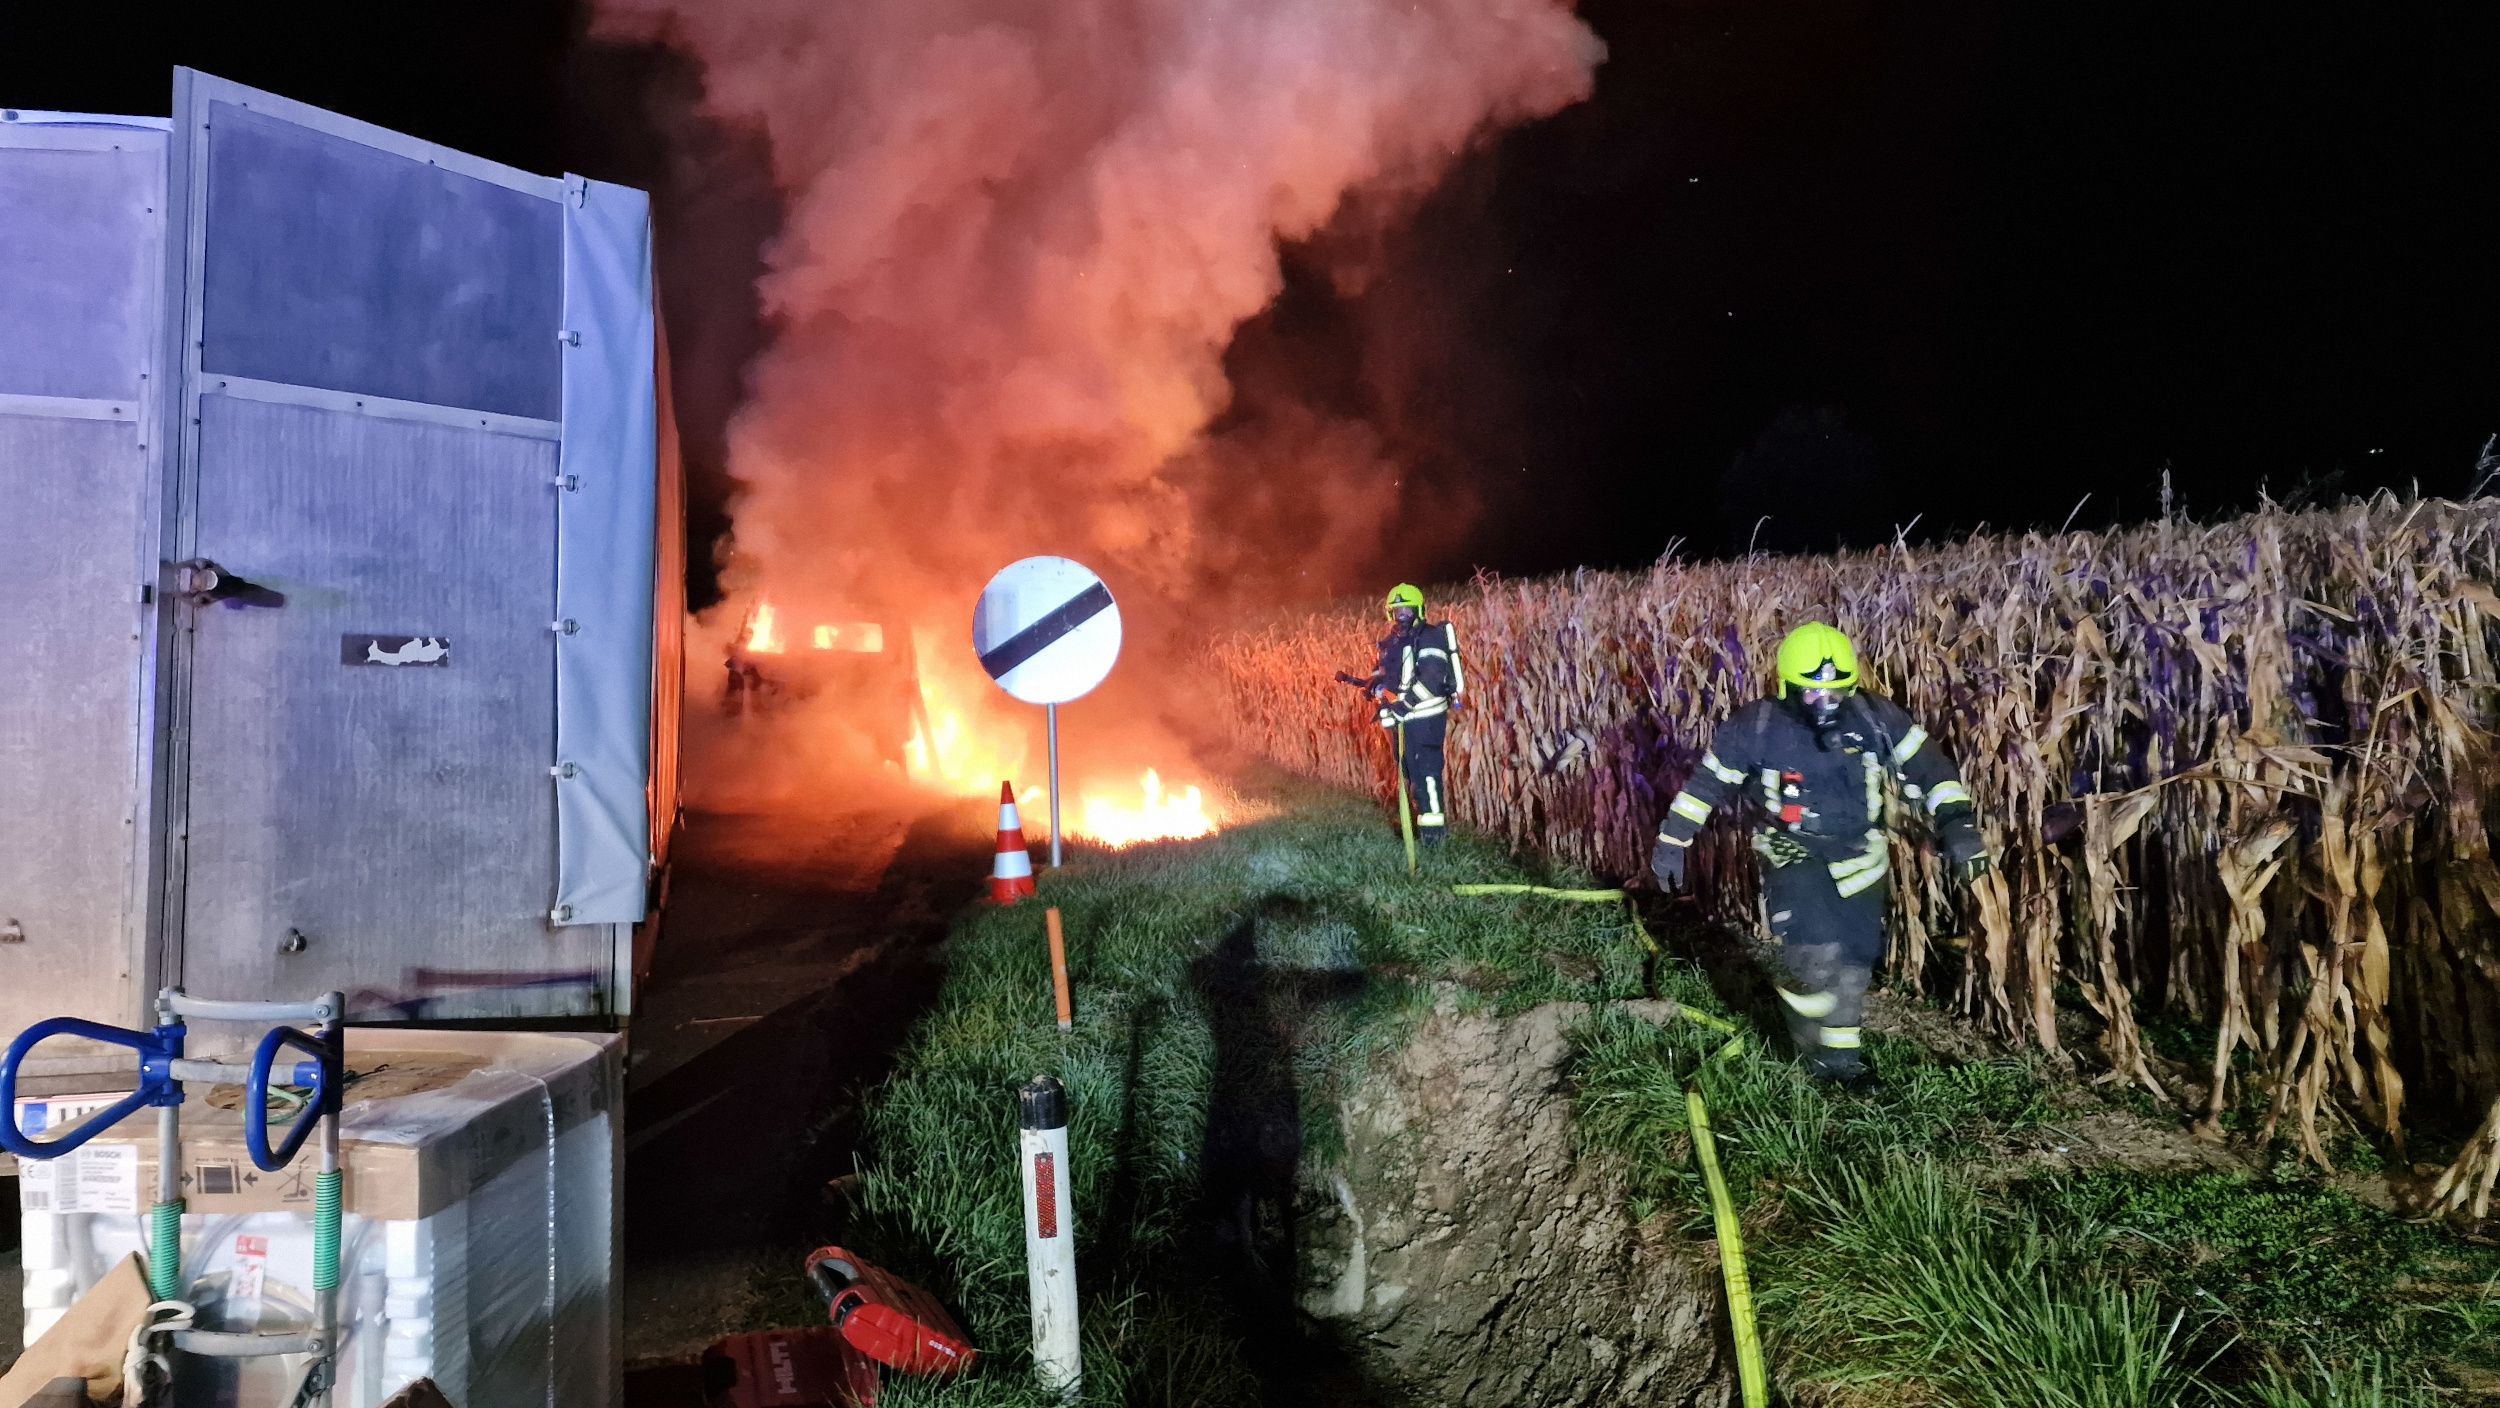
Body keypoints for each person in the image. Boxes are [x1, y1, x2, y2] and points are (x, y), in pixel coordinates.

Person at [1650, 621, 1989, 1086]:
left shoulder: (1876, 716)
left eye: (1837, 692)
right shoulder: (1757, 725)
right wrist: (1673, 841)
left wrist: (1958, 824)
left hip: (1861, 856)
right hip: (1791, 852)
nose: (1826, 703)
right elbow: (1706, 786)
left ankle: (1842, 1061)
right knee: (1813, 955)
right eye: (1812, 693)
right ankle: (1814, 1056)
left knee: (1854, 958)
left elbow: (1929, 768)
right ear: (1786, 686)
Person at [1365, 584, 1466, 847]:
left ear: (1419, 610)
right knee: (1409, 775)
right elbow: (1386, 674)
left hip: (1426, 720)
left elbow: (1432, 677)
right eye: (1397, 610)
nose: (1401, 615)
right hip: (1402, 722)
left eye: (1406, 609)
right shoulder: (1391, 643)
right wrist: (1374, 686)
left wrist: (1405, 704)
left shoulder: (1430, 637)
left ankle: (1434, 837)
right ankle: (1416, 828)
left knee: (1427, 775)